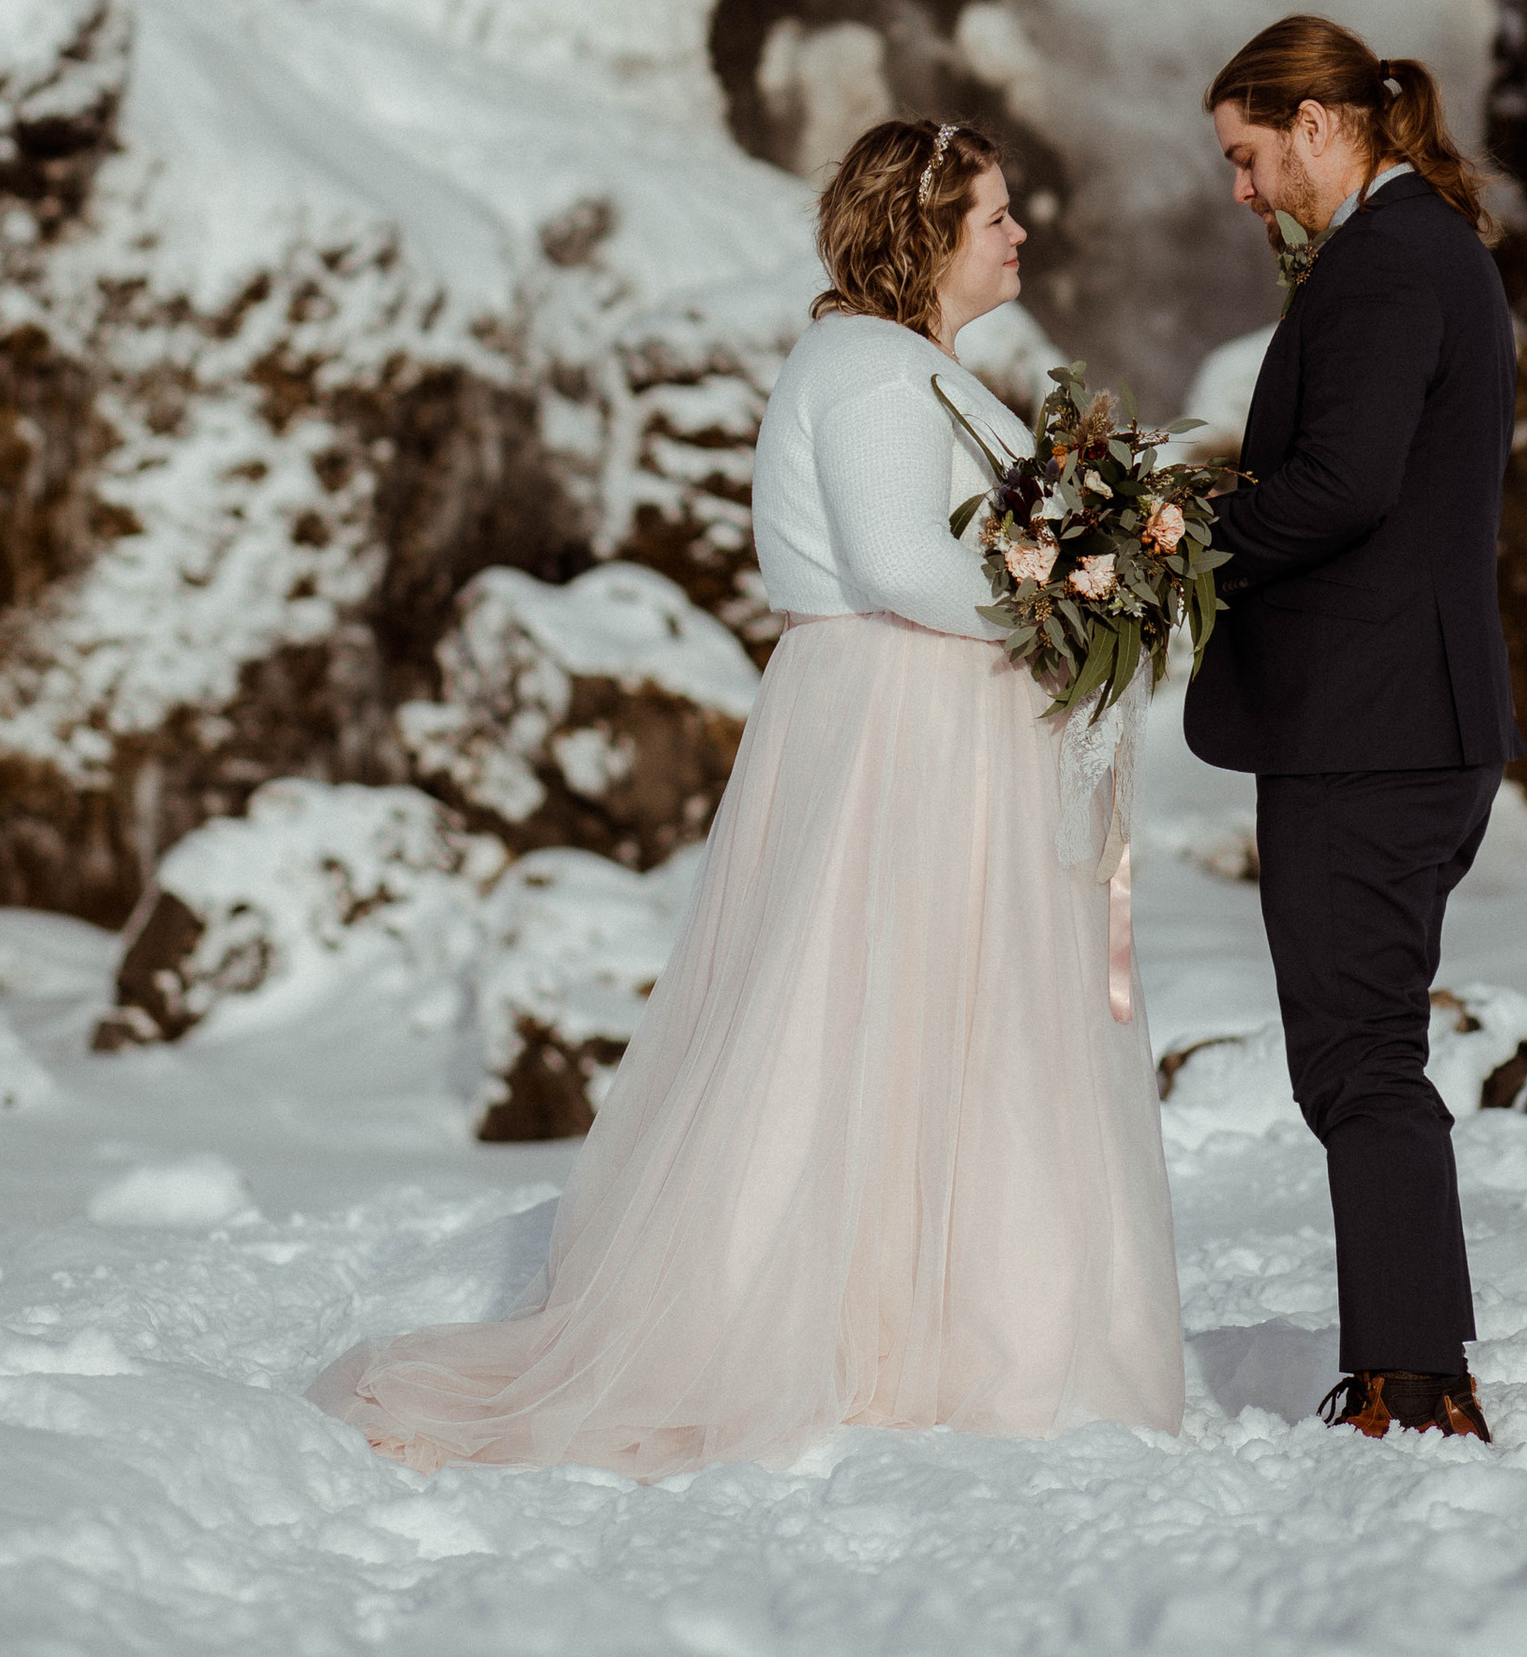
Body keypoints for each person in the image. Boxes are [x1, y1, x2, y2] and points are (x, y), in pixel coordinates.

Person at [310, 116, 1184, 1479]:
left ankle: (932, 1326)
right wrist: (1072, 595)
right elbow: (902, 560)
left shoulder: (901, 365)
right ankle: (855, 1334)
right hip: (905, 732)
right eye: (995, 216)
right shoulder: (879, 373)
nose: (1021, 236)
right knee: (877, 1018)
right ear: (924, 238)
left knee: (924, 1021)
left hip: (917, 723)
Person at [1185, 14, 1520, 1444]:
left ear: (1321, 126)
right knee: (1368, 1052)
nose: (1244, 193)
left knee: (1360, 1061)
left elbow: (1342, 486)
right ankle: (1409, 1360)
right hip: (1408, 716)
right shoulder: (1430, 247)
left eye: (1248, 158)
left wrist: (1180, 534)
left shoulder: (1386, 262)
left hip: (1368, 731)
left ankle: (1410, 1380)